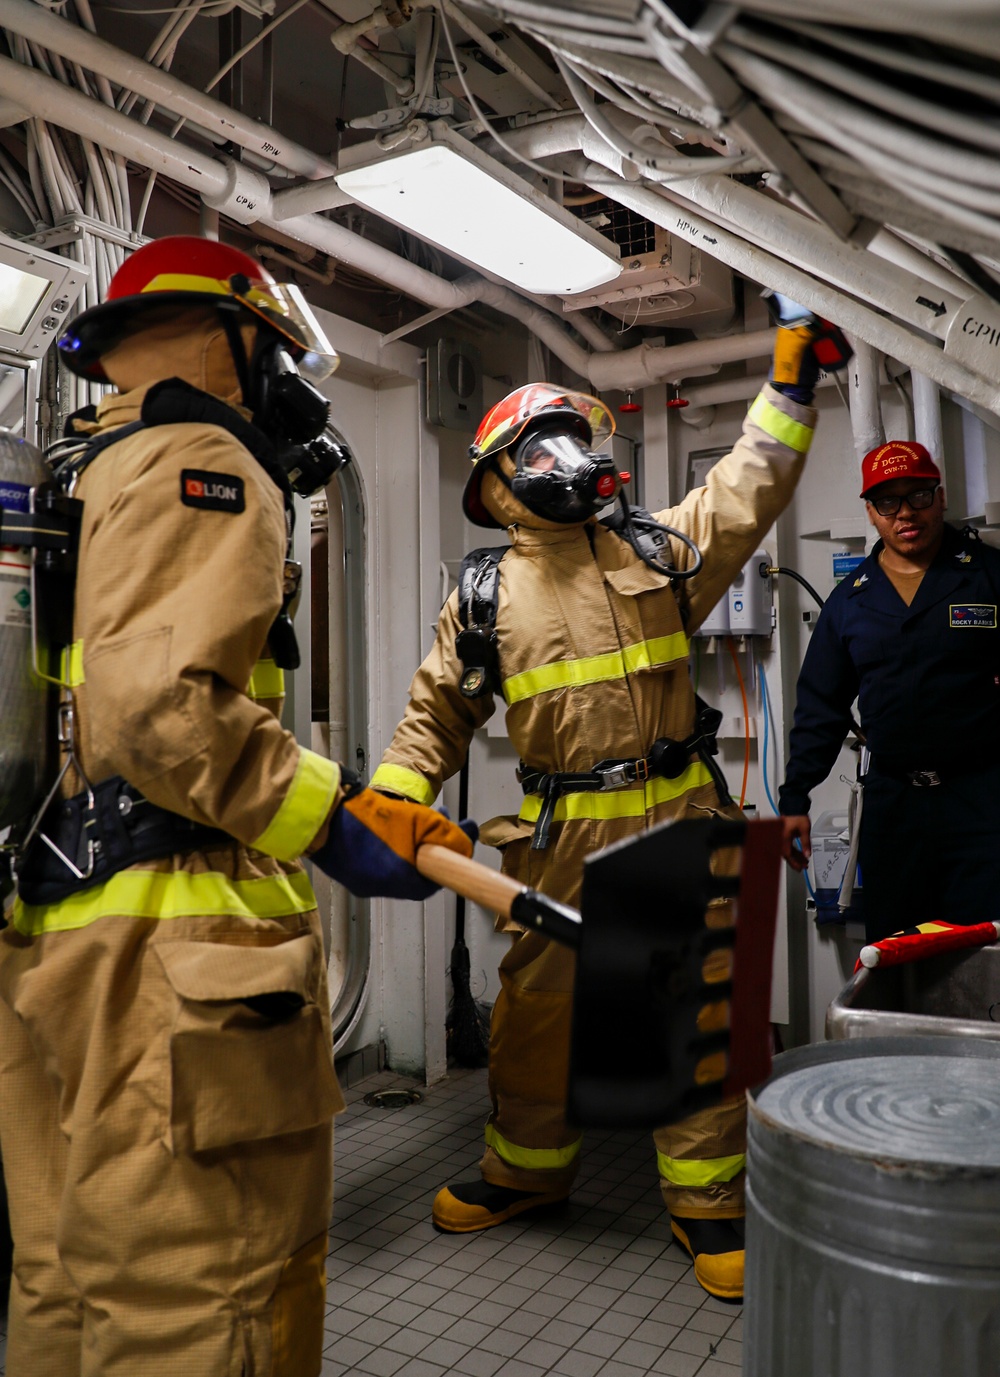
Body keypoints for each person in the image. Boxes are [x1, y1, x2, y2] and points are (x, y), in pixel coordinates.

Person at [0, 235, 475, 1377]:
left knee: (66, 1285)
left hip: (53, 940)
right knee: (209, 1302)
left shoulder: (83, 466)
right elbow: (160, 708)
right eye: (277, 352)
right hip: (180, 960)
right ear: (236, 337)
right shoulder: (205, 460)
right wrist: (331, 816)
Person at [370, 316, 841, 1300]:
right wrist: (393, 803)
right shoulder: (485, 593)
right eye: (544, 445)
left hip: (681, 816)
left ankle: (707, 1202)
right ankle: (525, 1174)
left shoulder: (657, 551)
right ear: (498, 477)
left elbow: (743, 489)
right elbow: (433, 718)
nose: (569, 462)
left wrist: (787, 392)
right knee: (539, 1012)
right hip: (564, 836)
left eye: (580, 440)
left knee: (696, 1008)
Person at [780, 439, 1000, 943]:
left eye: (918, 496)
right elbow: (821, 707)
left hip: (984, 802)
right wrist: (795, 798)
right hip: (896, 807)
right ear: (872, 513)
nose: (906, 513)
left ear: (939, 497)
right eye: (888, 502)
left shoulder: (988, 577)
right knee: (896, 952)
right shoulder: (850, 601)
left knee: (986, 952)